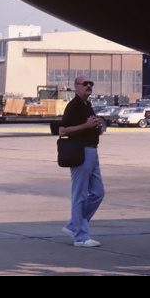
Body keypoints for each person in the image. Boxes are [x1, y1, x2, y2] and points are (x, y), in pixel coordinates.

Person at [58, 75, 104, 247]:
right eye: (85, 84)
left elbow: (90, 126)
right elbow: (62, 131)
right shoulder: (74, 106)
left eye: (91, 83)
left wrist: (96, 127)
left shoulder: (88, 105)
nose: (89, 86)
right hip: (81, 152)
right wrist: (86, 126)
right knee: (80, 195)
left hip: (93, 151)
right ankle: (81, 237)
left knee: (98, 193)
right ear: (76, 87)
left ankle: (73, 225)